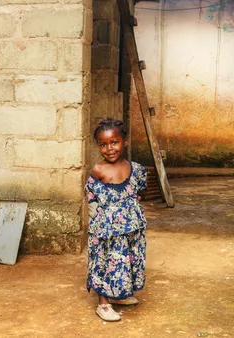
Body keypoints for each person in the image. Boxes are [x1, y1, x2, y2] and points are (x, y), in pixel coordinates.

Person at [85, 118, 147, 322]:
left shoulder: (136, 169)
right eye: (103, 144)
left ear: (125, 141)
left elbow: (139, 192)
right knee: (105, 262)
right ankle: (103, 303)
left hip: (130, 229)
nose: (109, 148)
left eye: (114, 142)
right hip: (106, 230)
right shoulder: (98, 170)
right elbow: (91, 197)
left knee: (126, 261)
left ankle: (118, 295)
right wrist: (99, 224)